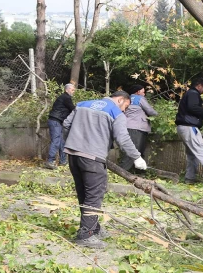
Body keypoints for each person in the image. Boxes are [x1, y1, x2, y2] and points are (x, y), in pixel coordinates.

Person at [62, 90, 148, 249]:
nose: (125, 111)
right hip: (93, 158)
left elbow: (66, 124)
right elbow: (122, 137)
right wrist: (136, 157)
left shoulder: (82, 104)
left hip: (73, 156)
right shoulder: (116, 112)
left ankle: (93, 227)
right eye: (126, 107)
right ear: (121, 100)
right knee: (94, 194)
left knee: (85, 193)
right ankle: (85, 235)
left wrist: (73, 142)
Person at [119, 84, 158, 171]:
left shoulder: (127, 98)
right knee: (135, 150)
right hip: (137, 127)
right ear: (138, 92)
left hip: (127, 126)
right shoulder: (139, 98)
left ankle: (135, 171)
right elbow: (150, 111)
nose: (144, 94)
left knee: (132, 149)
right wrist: (159, 115)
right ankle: (122, 172)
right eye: (143, 92)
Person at [44, 83, 76, 170]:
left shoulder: (64, 98)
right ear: (67, 90)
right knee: (56, 141)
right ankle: (50, 161)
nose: (74, 91)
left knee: (62, 141)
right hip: (55, 121)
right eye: (72, 90)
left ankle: (63, 161)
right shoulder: (66, 97)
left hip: (58, 121)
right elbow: (73, 109)